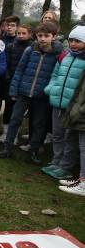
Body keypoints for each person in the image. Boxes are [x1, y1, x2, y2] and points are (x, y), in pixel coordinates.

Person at [0, 22, 63, 164]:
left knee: (39, 124)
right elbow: (19, 70)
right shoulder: (30, 50)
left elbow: (57, 75)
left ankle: (34, 152)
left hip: (42, 96)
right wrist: (14, 89)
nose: (43, 39)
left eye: (46, 36)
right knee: (15, 120)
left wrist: (50, 92)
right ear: (35, 36)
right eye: (40, 36)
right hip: (24, 93)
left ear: (54, 37)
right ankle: (7, 148)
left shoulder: (58, 55)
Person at [42, 25, 85, 180]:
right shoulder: (64, 56)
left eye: (78, 41)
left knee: (69, 138)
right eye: (71, 40)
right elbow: (55, 74)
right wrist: (51, 89)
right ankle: (56, 161)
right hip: (57, 101)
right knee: (57, 135)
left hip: (72, 107)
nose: (73, 44)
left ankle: (66, 166)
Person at [0, 24, 34, 143]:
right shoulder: (10, 46)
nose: (21, 36)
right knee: (8, 107)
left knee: (18, 111)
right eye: (19, 33)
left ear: (30, 34)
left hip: (24, 83)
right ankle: (5, 133)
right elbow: (6, 63)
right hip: (11, 82)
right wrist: (8, 78)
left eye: (24, 33)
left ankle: (14, 135)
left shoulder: (33, 48)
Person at [58, 60, 85, 196]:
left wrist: (80, 110)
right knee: (80, 146)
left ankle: (83, 184)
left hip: (81, 112)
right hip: (78, 111)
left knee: (84, 148)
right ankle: (81, 179)